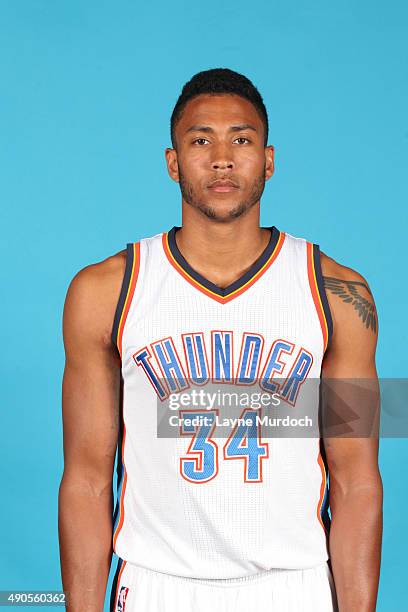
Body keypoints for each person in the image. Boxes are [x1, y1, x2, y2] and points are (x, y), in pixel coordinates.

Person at [58, 68, 383, 612]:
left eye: (242, 139)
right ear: (173, 162)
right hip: (155, 583)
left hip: (295, 584)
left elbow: (357, 483)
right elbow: (87, 482)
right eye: (200, 139)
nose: (222, 158)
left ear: (269, 159)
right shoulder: (106, 289)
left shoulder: (339, 293)